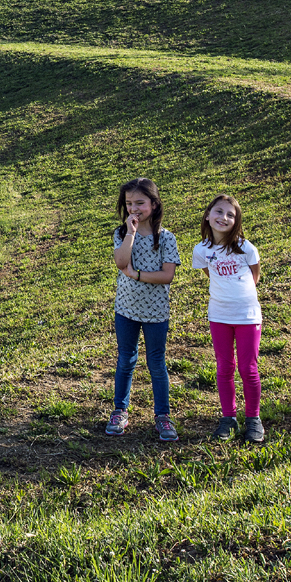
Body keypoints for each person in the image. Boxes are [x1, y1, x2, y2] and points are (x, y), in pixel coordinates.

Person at [106, 177, 180, 441]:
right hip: (125, 309)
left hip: (156, 313)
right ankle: (119, 411)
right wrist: (131, 233)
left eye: (140, 202)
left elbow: (167, 275)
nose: (134, 208)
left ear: (154, 203)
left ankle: (162, 416)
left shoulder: (166, 237)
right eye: (129, 204)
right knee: (126, 360)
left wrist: (136, 275)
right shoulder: (121, 233)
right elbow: (120, 262)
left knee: (156, 364)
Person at [193, 194, 266, 442]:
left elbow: (254, 277)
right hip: (219, 316)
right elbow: (210, 274)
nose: (223, 218)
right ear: (207, 215)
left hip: (247, 316)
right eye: (218, 211)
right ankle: (228, 418)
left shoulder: (246, 247)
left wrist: (240, 298)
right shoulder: (201, 250)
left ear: (236, 222)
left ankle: (253, 419)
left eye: (230, 215)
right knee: (224, 367)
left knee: (248, 368)